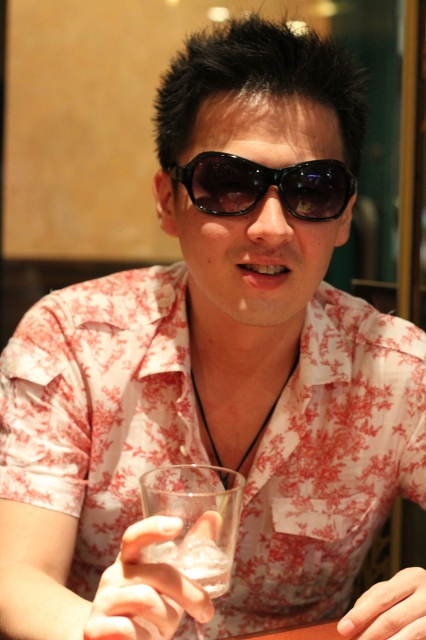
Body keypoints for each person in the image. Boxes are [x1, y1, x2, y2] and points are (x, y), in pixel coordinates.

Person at [1, 13, 426, 640]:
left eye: (312, 189)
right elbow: (16, 575)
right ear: (167, 199)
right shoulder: (71, 342)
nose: (272, 229)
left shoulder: (397, 369)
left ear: (344, 216)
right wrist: (92, 627)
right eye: (228, 185)